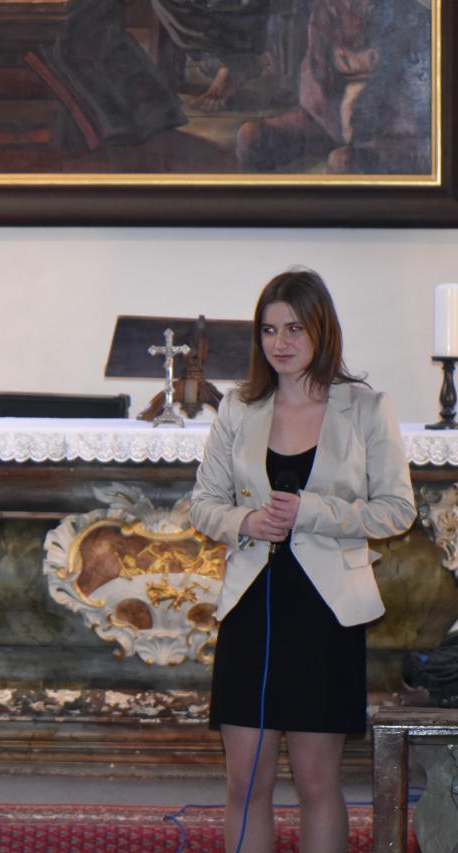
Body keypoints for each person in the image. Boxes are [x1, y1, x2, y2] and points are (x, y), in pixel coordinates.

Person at [189, 268, 415, 852]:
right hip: (252, 606)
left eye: (294, 328)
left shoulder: (366, 408)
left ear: (321, 329)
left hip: (326, 611)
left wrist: (314, 511)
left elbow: (397, 510)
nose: (281, 342)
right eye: (269, 330)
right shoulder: (238, 408)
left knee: (317, 782)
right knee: (245, 782)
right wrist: (246, 522)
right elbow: (204, 505)